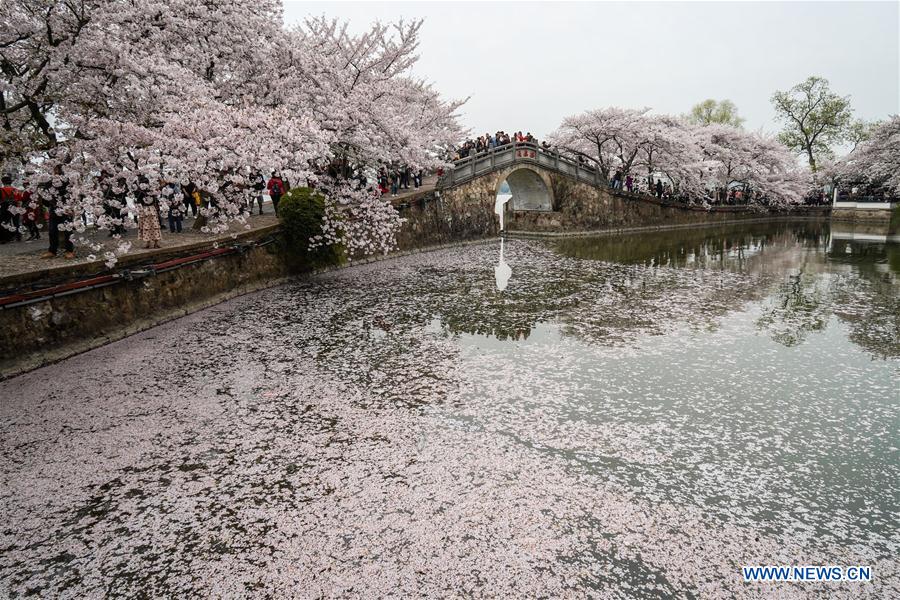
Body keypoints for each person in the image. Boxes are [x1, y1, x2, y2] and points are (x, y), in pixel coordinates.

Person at [40, 165, 76, 259]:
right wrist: (50, 204)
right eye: (54, 169)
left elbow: (73, 194)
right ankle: (52, 250)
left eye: (57, 169)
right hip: (54, 208)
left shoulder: (67, 181)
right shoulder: (49, 182)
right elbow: (45, 195)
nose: (55, 171)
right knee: (52, 230)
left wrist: (72, 207)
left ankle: (69, 250)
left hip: (66, 208)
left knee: (68, 230)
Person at [136, 175, 161, 249]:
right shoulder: (143, 191)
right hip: (150, 209)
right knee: (153, 225)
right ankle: (152, 243)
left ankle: (150, 243)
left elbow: (138, 201)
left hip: (146, 209)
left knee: (148, 226)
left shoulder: (147, 191)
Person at [0, 175, 20, 243]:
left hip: (5, 207)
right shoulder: (15, 189)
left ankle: (5, 238)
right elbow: (19, 198)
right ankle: (18, 236)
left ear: (3, 182)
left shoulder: (1, 190)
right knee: (16, 222)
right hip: (15, 206)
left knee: (4, 222)